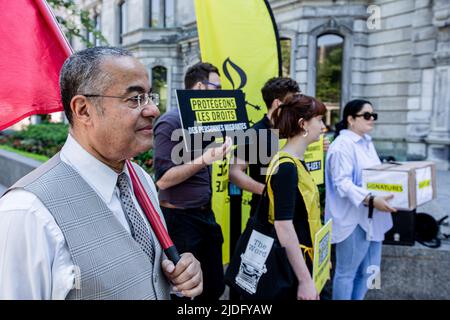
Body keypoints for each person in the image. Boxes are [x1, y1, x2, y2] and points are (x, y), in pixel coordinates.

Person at [0, 47, 202, 300]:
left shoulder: (140, 179)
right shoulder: (27, 214)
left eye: (149, 97)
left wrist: (182, 272)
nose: (152, 110)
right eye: (135, 99)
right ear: (84, 110)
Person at [153, 62, 232, 301]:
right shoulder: (171, 122)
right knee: (185, 294)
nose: (219, 93)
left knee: (215, 287)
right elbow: (164, 180)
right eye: (216, 87)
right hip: (181, 221)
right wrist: (206, 158)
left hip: (205, 216)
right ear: (200, 86)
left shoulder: (205, 122)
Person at [324, 99, 397, 300]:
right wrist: (372, 199)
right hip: (352, 220)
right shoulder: (341, 146)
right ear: (350, 119)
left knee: (370, 273)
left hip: (373, 219)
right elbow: (342, 183)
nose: (372, 119)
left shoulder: (367, 142)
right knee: (346, 273)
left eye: (373, 115)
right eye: (366, 115)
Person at [265, 94, 327, 300]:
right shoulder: (287, 167)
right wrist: (305, 281)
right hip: (293, 267)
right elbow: (284, 226)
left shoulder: (292, 161)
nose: (323, 126)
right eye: (319, 120)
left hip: (302, 259)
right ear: (303, 124)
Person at [229, 77, 300, 218]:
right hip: (265, 215)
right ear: (277, 103)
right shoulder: (254, 133)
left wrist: (317, 147)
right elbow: (234, 173)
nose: (296, 108)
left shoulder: (294, 131)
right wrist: (266, 191)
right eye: (292, 103)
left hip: (295, 213)